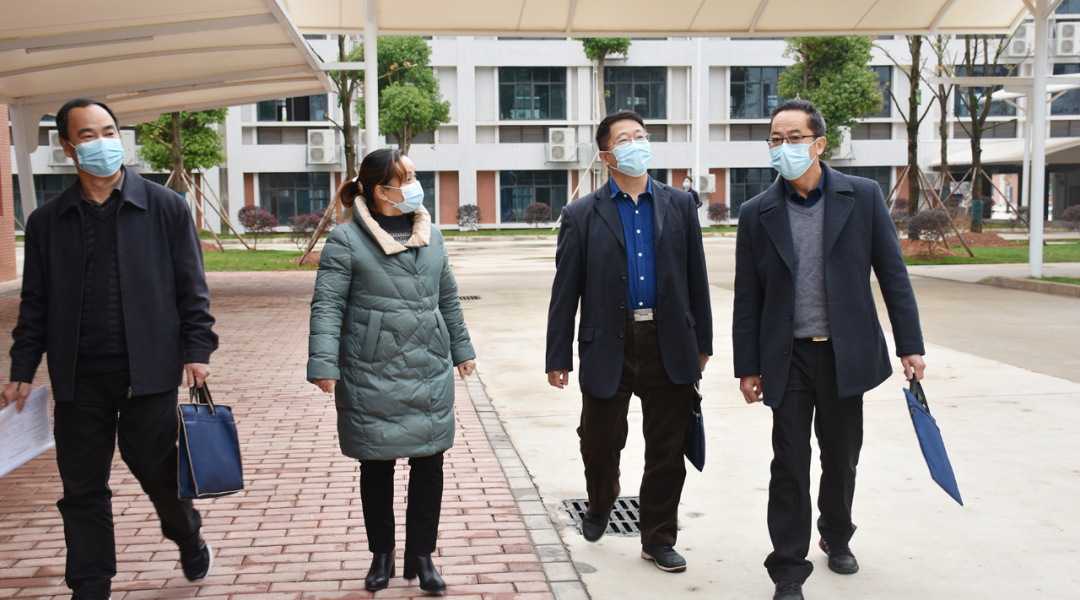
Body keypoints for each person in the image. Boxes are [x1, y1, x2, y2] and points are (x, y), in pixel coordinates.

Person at [3, 98, 218, 600]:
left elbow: (192, 289)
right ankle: (90, 585)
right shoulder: (46, 221)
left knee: (158, 473)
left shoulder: (165, 207)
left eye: (108, 132)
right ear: (67, 147)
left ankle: (186, 531)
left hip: (149, 373)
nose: (101, 143)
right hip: (77, 379)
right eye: (87, 135)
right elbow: (35, 305)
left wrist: (197, 349)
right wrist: (22, 368)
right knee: (81, 489)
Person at [732, 99, 926, 600]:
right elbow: (748, 296)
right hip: (788, 356)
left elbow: (893, 274)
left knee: (841, 457)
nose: (784, 147)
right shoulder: (757, 212)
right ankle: (788, 568)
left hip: (845, 354)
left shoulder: (861, 196)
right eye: (776, 139)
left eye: (794, 138)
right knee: (789, 461)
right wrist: (747, 365)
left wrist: (910, 344)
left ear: (819, 143)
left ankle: (836, 535)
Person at [546, 110, 712, 573]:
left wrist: (703, 342)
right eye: (625, 139)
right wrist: (557, 355)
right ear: (606, 156)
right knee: (599, 442)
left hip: (669, 341)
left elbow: (696, 277)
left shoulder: (680, 204)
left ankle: (658, 537)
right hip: (608, 344)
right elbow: (565, 292)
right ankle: (601, 501)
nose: (637, 144)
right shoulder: (581, 214)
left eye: (641, 136)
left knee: (667, 450)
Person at [307, 148, 476, 594]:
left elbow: (448, 297)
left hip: (428, 363)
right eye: (408, 178)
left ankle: (422, 555)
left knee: (429, 462)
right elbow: (328, 305)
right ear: (382, 189)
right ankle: (381, 554)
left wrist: (462, 349)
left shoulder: (431, 234)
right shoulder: (346, 239)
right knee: (376, 464)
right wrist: (323, 363)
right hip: (371, 367)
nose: (417, 185)